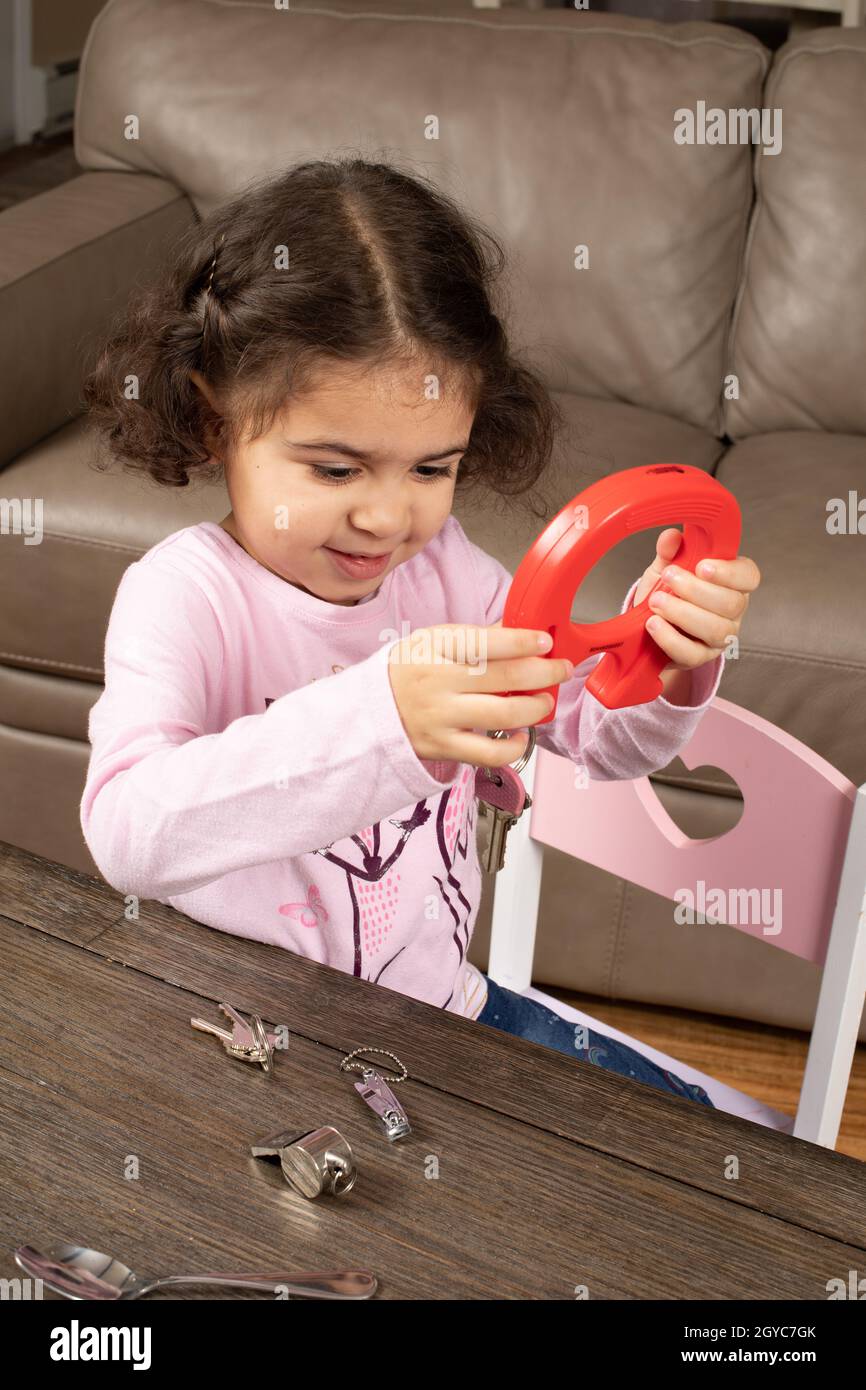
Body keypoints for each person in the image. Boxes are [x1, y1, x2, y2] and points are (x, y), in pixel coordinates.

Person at [80, 157, 760, 1107]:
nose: (386, 520)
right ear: (210, 417)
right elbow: (128, 835)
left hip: (434, 1018)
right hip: (240, 1046)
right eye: (334, 470)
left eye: (431, 469)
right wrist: (383, 719)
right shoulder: (185, 596)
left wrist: (673, 658)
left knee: (694, 1134)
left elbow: (604, 741)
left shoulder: (447, 578)